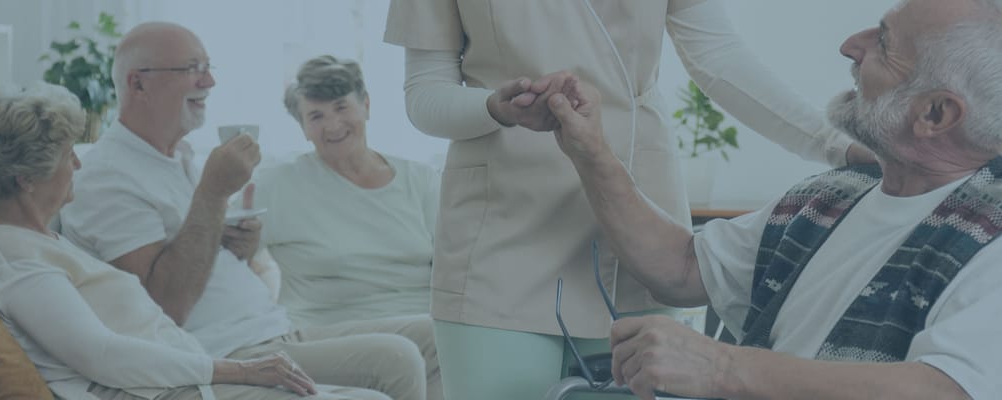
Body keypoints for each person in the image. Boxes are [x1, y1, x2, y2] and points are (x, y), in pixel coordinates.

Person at [383, 1, 877, 398]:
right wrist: (495, 106)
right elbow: (426, 95)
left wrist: (838, 146)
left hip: (637, 232)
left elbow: (719, 59)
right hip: (500, 233)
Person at [540, 0, 1002, 398]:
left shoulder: (992, 237)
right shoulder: (832, 196)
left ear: (936, 113)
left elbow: (949, 391)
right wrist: (593, 153)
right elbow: (681, 269)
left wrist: (720, 368)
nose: (850, 46)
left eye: (883, 43)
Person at [60, 22, 426, 400]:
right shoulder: (107, 175)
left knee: (429, 340)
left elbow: (193, 254)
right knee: (387, 375)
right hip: (221, 351)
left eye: (208, 66)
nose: (210, 82)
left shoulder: (177, 156)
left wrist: (237, 245)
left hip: (271, 331)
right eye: (192, 68)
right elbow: (165, 308)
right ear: (138, 84)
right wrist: (214, 194)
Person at [0, 82, 359, 399]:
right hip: (161, 391)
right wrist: (242, 370)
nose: (78, 163)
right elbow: (102, 356)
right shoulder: (10, 254)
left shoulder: (31, 235)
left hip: (184, 376)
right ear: (27, 179)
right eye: (67, 156)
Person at [238, 55, 443, 399]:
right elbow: (228, 253)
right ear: (302, 126)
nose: (333, 125)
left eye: (341, 107)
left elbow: (456, 266)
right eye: (316, 116)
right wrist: (242, 247)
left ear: (366, 104)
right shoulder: (277, 184)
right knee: (432, 340)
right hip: (328, 335)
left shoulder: (421, 180)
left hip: (426, 329)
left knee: (445, 338)